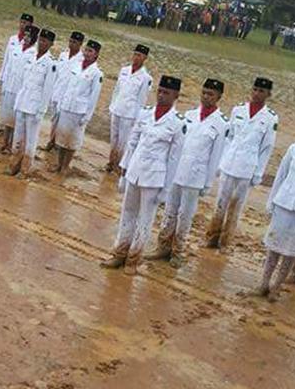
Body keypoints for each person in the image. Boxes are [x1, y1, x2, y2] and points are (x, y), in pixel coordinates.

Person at [102, 76, 186, 275]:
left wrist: (166, 190)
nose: (162, 95)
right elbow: (132, 143)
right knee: (127, 214)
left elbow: (174, 160)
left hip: (154, 177)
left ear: (176, 96)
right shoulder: (145, 114)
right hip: (135, 171)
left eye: (167, 93)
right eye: (160, 91)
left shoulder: (177, 123)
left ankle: (133, 260)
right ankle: (119, 253)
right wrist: (124, 170)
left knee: (145, 220)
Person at [146, 79, 228, 267]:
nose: (206, 97)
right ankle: (163, 246)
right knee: (169, 211)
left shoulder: (222, 124)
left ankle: (178, 250)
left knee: (186, 215)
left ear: (219, 98)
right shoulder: (189, 115)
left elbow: (215, 156)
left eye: (211, 95)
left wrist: (207, 183)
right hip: (177, 171)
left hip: (196, 176)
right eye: (204, 93)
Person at [206, 77, 278, 250]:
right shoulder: (238, 110)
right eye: (255, 89)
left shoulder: (270, 118)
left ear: (268, 94)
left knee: (236, 206)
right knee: (220, 202)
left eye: (261, 91)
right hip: (229, 162)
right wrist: (221, 161)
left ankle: (225, 241)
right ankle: (211, 238)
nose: (256, 94)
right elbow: (229, 137)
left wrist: (258, 173)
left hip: (247, 167)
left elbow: (266, 148)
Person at [9, 29, 56, 177]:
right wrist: (18, 102)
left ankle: (25, 168)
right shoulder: (31, 56)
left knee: (31, 139)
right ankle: (13, 165)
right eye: (40, 40)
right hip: (23, 101)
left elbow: (47, 89)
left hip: (35, 106)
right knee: (18, 136)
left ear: (50, 44)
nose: (41, 43)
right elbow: (23, 81)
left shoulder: (50, 63)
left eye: (45, 41)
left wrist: (41, 110)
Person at [53, 39, 104, 176]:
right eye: (86, 50)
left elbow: (93, 97)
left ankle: (65, 166)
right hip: (66, 106)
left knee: (72, 141)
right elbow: (66, 86)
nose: (87, 53)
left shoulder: (96, 73)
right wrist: (60, 103)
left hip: (79, 111)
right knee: (62, 138)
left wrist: (86, 117)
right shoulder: (75, 65)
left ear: (96, 54)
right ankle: (58, 165)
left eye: (91, 51)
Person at [258, 142, 295, 301]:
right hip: (283, 203)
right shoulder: (294, 149)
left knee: (292, 250)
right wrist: (271, 202)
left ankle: (276, 287)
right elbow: (280, 176)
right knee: (273, 245)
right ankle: (264, 284)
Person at [107, 44, 153, 173]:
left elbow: (141, 100)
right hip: (117, 108)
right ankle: (111, 161)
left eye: (140, 55)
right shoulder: (124, 70)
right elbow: (117, 90)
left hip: (129, 113)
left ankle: (119, 164)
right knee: (114, 138)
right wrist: (112, 106)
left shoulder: (146, 78)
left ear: (145, 58)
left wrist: (137, 118)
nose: (136, 57)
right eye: (135, 54)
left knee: (124, 140)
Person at [0, 24, 39, 152]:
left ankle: (12, 145)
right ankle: (4, 142)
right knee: (6, 117)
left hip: (21, 90)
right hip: (9, 86)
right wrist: (4, 81)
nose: (26, 38)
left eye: (29, 36)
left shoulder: (34, 54)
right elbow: (9, 66)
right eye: (25, 35)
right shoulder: (16, 48)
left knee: (16, 121)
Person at [44, 31, 85, 151]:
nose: (72, 44)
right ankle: (52, 140)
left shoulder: (81, 60)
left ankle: (56, 143)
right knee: (54, 118)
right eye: (71, 41)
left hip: (68, 95)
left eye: (75, 42)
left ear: (80, 44)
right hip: (57, 91)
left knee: (63, 121)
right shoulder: (63, 55)